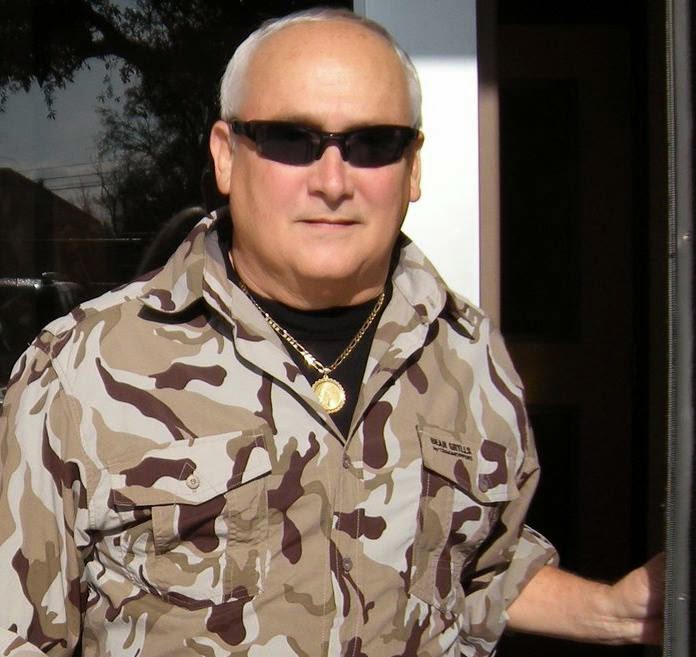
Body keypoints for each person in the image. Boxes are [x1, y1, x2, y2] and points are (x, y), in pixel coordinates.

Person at [0, 8, 662, 657]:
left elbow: (476, 569)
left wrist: (612, 612)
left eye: (373, 143)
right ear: (226, 156)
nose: (333, 181)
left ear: (413, 166)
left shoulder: (468, 353)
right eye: (292, 139)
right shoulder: (80, 369)